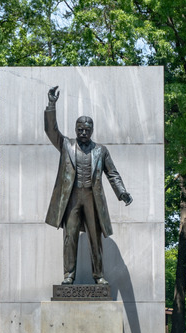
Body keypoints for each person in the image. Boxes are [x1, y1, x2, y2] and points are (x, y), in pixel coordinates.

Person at [44, 86, 132, 285]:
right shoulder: (66, 144)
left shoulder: (101, 150)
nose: (83, 132)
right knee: (70, 237)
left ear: (92, 131)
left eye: (87, 130)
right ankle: (69, 275)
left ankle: (99, 276)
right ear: (76, 130)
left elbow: (113, 173)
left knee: (95, 238)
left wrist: (122, 192)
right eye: (80, 129)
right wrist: (51, 104)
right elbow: (51, 130)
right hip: (71, 198)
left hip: (93, 199)